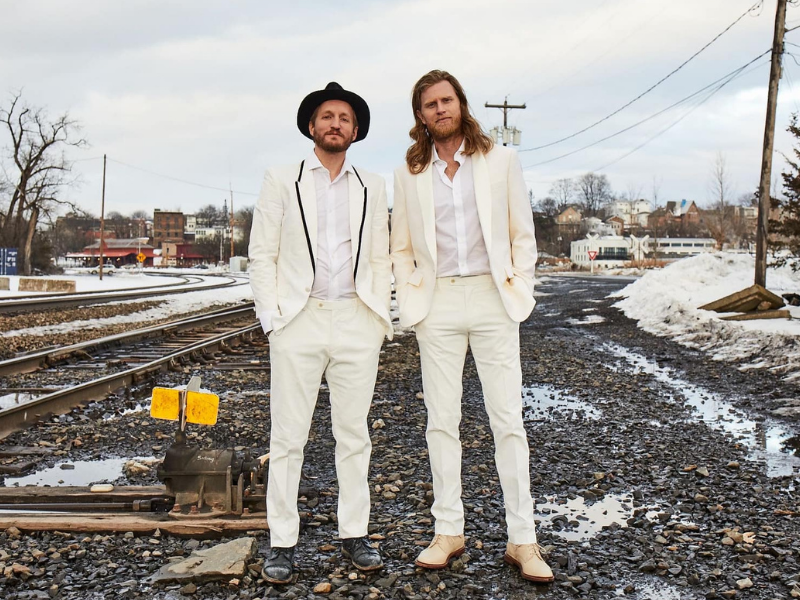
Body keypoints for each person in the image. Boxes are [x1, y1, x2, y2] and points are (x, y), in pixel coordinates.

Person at [389, 70, 553, 583]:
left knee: (507, 420)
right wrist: (410, 286)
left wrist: (518, 287)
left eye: (447, 100)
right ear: (420, 115)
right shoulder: (409, 173)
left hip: (490, 297)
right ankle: (448, 531)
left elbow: (522, 234)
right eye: (429, 104)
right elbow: (400, 246)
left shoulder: (500, 160)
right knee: (442, 421)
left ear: (460, 104)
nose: (440, 109)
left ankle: (523, 541)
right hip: (436, 303)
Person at [249, 82, 392, 584]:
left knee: (353, 435)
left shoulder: (373, 184)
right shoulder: (281, 179)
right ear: (312, 126)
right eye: (327, 116)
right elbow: (261, 254)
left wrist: (378, 316)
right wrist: (273, 318)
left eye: (345, 118)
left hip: (356, 319)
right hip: (299, 320)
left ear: (356, 131)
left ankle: (355, 533)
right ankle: (282, 541)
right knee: (288, 437)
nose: (336, 124)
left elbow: (380, 254)